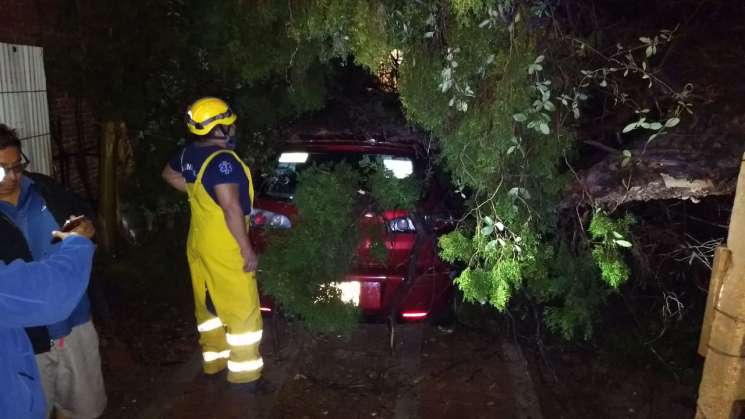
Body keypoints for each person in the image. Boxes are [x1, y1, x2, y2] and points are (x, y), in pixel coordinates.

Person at [0, 124, 107, 418]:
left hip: (76, 321)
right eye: (1, 170)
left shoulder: (43, 188)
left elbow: (86, 217)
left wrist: (86, 227)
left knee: (85, 408)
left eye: (16, 165)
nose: (12, 177)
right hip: (25, 338)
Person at [162, 97, 266, 390]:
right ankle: (246, 378)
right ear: (219, 128)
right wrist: (247, 249)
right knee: (241, 308)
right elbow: (231, 208)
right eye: (229, 125)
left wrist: (196, 190)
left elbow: (168, 175)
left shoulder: (187, 154)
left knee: (207, 305)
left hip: (197, 242)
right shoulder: (223, 162)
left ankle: (214, 362)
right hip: (225, 244)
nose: (233, 130)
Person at [0, 216, 96, 419]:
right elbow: (50, 294)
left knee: (81, 406)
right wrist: (77, 243)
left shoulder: (46, 192)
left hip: (72, 326)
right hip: (31, 344)